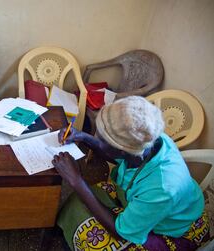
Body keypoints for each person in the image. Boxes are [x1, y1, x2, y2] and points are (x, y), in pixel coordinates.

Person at [52, 96, 209, 250]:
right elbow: (118, 156)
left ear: (123, 150)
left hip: (173, 229)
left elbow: (121, 233)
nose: (96, 138)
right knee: (77, 200)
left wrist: (77, 181)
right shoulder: (147, 140)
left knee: (93, 241)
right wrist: (83, 137)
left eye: (102, 138)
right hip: (148, 201)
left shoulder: (163, 189)